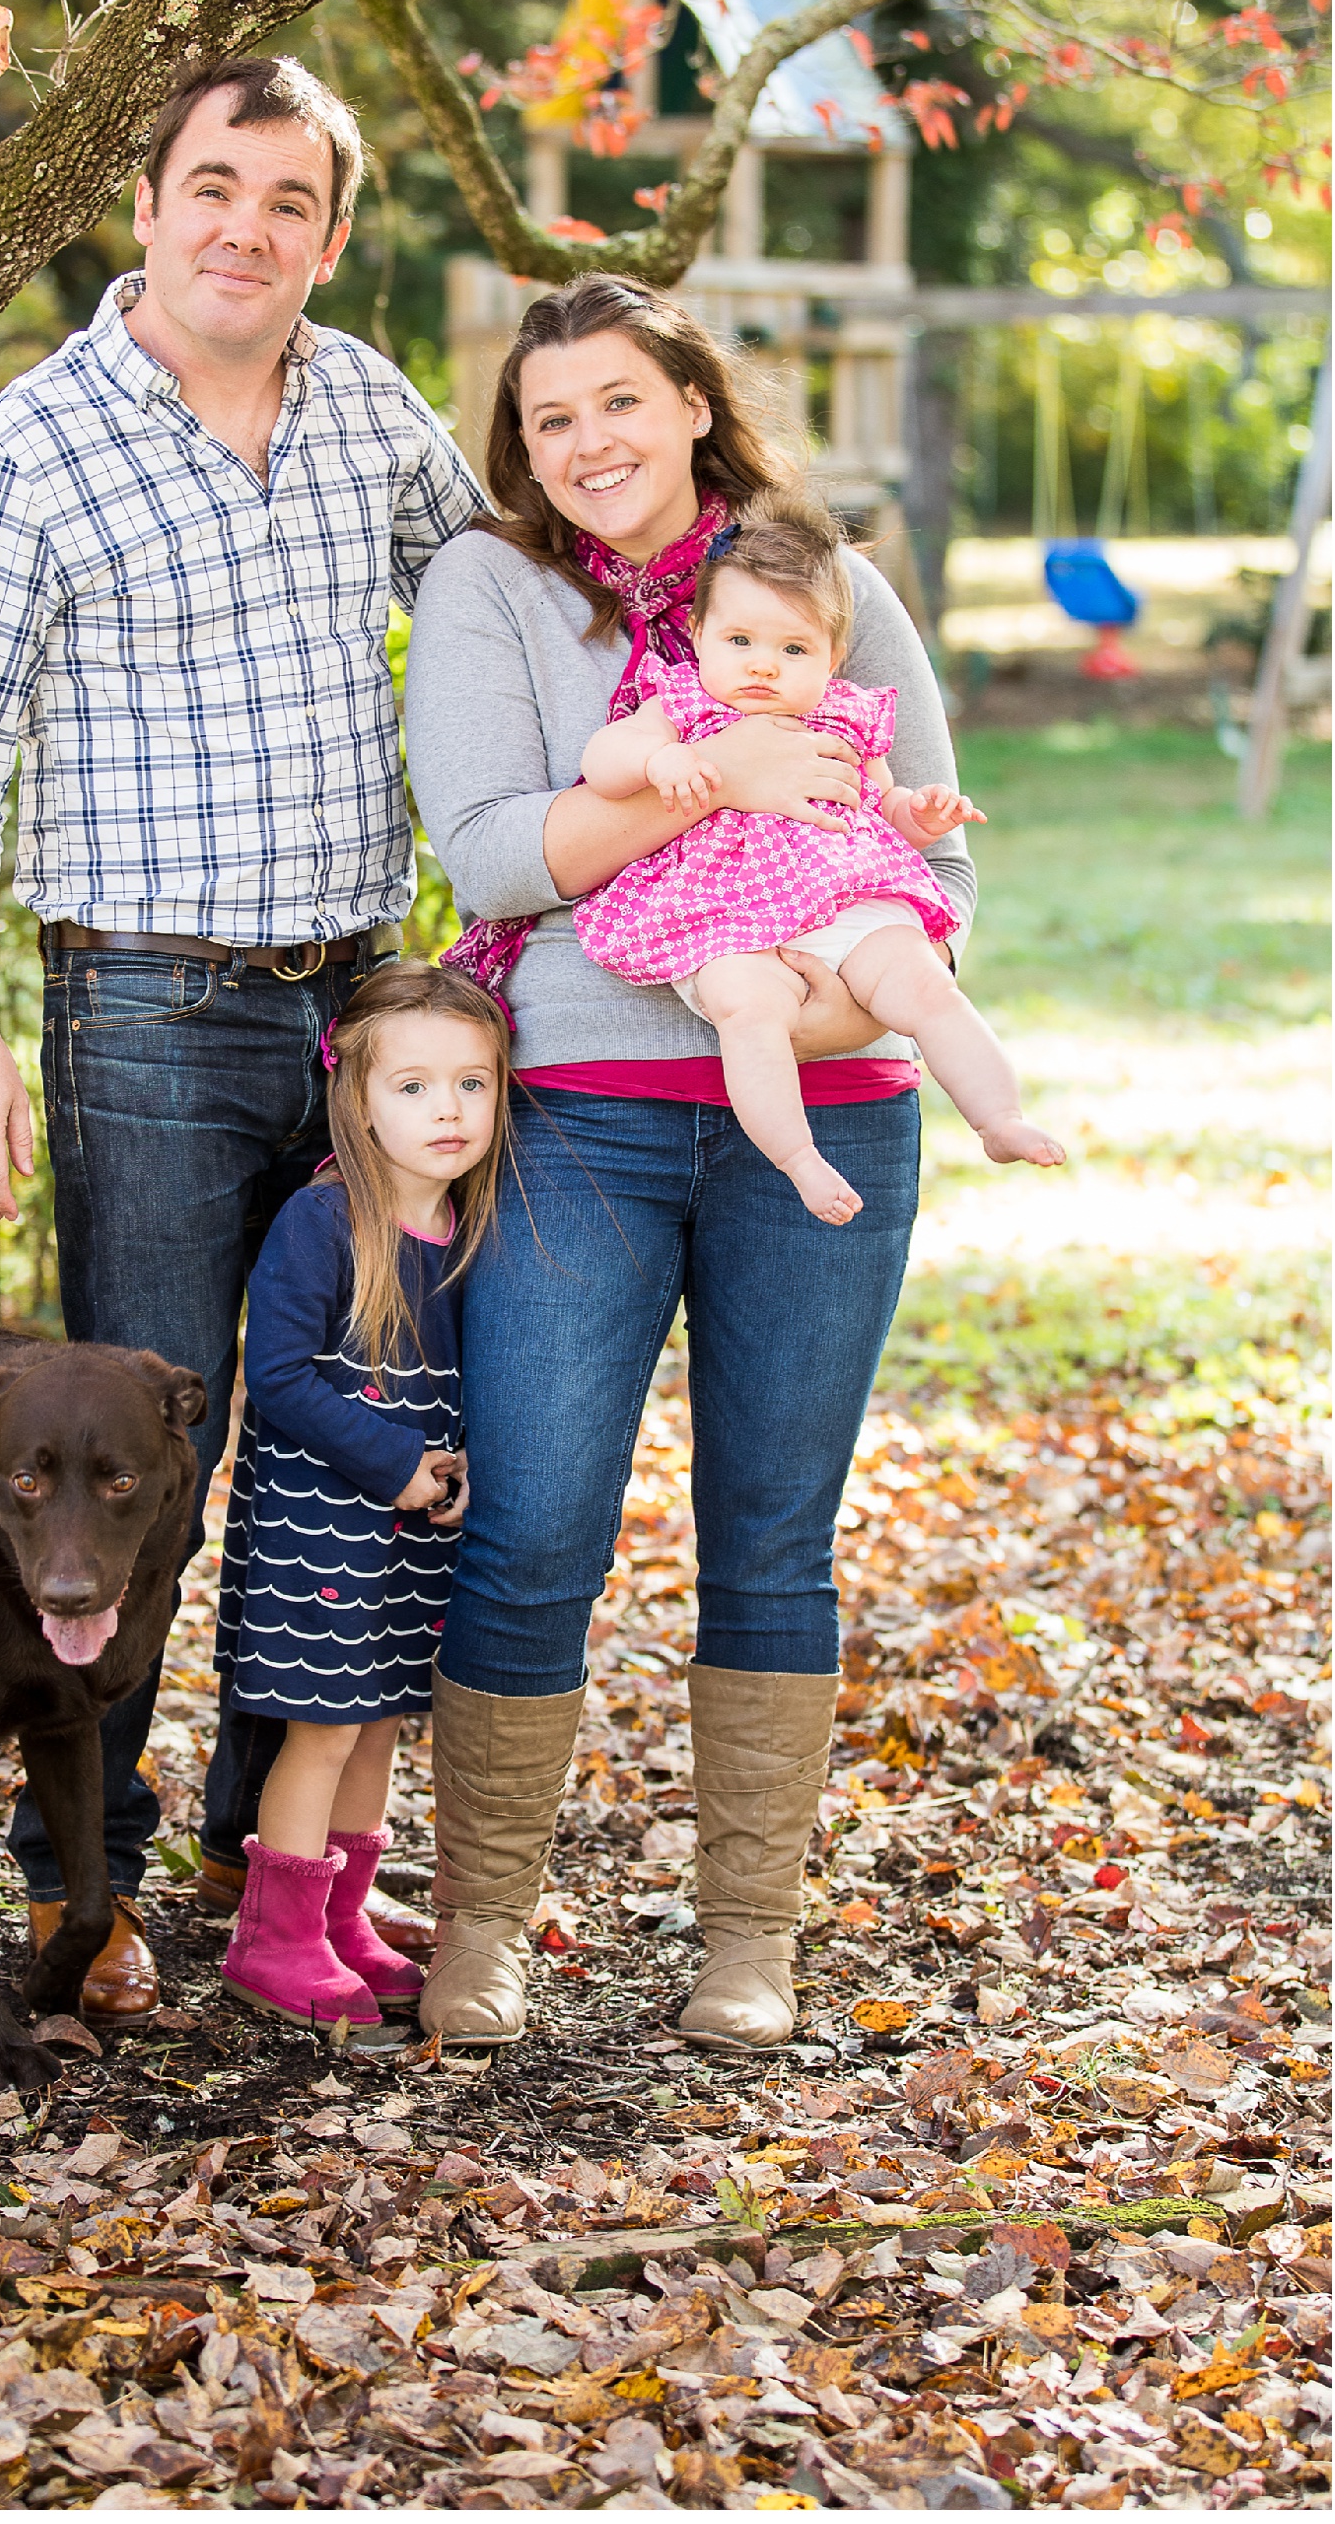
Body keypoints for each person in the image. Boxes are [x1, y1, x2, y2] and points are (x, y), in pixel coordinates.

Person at [0, 56, 479, 2017]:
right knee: (138, 1463)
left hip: (353, 1012)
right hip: (142, 1002)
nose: (246, 224)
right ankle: (92, 1890)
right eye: (212, 185)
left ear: (327, 231)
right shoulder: (35, 444)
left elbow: (492, 622)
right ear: (142, 206)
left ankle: (277, 1853)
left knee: (347, 1425)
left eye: (289, 197)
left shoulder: (373, 408)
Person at [405, 273, 977, 2053]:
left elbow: (938, 881)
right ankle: (483, 1926)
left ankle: (749, 1941)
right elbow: (501, 857)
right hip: (581, 1117)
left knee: (772, 1537)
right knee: (536, 1518)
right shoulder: (492, 587)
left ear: (694, 407)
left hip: (829, 1103)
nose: (588, 443)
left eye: (621, 403)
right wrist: (721, 773)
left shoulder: (830, 585)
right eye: (552, 416)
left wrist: (785, 1016)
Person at [578, 510, 1064, 1223]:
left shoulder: (848, 715)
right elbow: (602, 763)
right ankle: (798, 1157)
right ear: (701, 637)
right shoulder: (681, 705)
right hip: (721, 917)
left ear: (833, 657)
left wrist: (918, 814)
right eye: (739, 640)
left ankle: (998, 1117)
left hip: (846, 899)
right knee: (750, 1013)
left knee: (925, 988)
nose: (763, 665)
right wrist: (662, 759)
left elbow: (884, 798)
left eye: (794, 648)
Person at [215, 963, 509, 2027]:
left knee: (380, 1721)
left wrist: (462, 1461)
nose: (446, 1110)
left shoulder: (474, 1226)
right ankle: (271, 1936)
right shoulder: (324, 1222)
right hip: (319, 1533)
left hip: (409, 1536)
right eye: (414, 1086)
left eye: (471, 1085)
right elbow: (281, 1378)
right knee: (323, 1730)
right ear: (357, 1097)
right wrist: (396, 1463)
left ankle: (340, 1918)